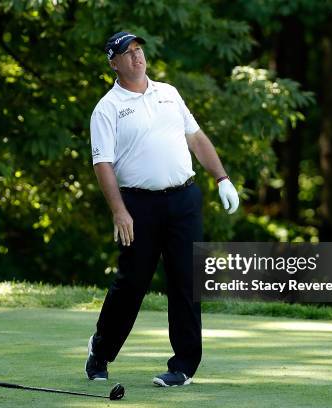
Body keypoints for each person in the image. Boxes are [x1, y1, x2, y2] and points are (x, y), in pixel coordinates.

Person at [85, 31, 239, 387]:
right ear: (114, 62)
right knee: (132, 284)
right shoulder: (107, 108)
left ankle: (183, 365)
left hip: (184, 200)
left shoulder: (169, 93)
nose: (137, 57)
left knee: (186, 281)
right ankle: (100, 350)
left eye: (139, 50)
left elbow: (196, 137)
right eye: (128, 53)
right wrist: (119, 211)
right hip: (138, 204)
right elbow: (102, 164)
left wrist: (221, 177)